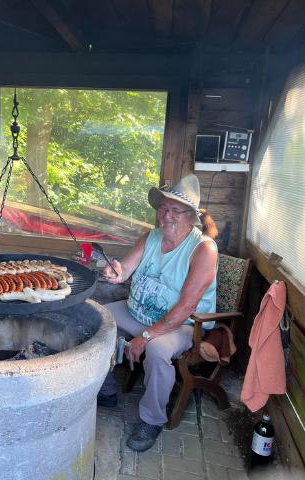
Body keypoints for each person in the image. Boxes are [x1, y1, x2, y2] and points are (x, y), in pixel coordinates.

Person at [96, 174, 218, 452]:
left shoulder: (204, 250)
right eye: (163, 207)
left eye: (175, 210)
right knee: (98, 320)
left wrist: (147, 337)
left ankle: (151, 419)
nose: (166, 215)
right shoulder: (152, 236)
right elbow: (125, 268)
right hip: (136, 312)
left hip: (181, 325)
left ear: (191, 216)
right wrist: (116, 272)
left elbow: (186, 307)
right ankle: (106, 390)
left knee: (158, 350)